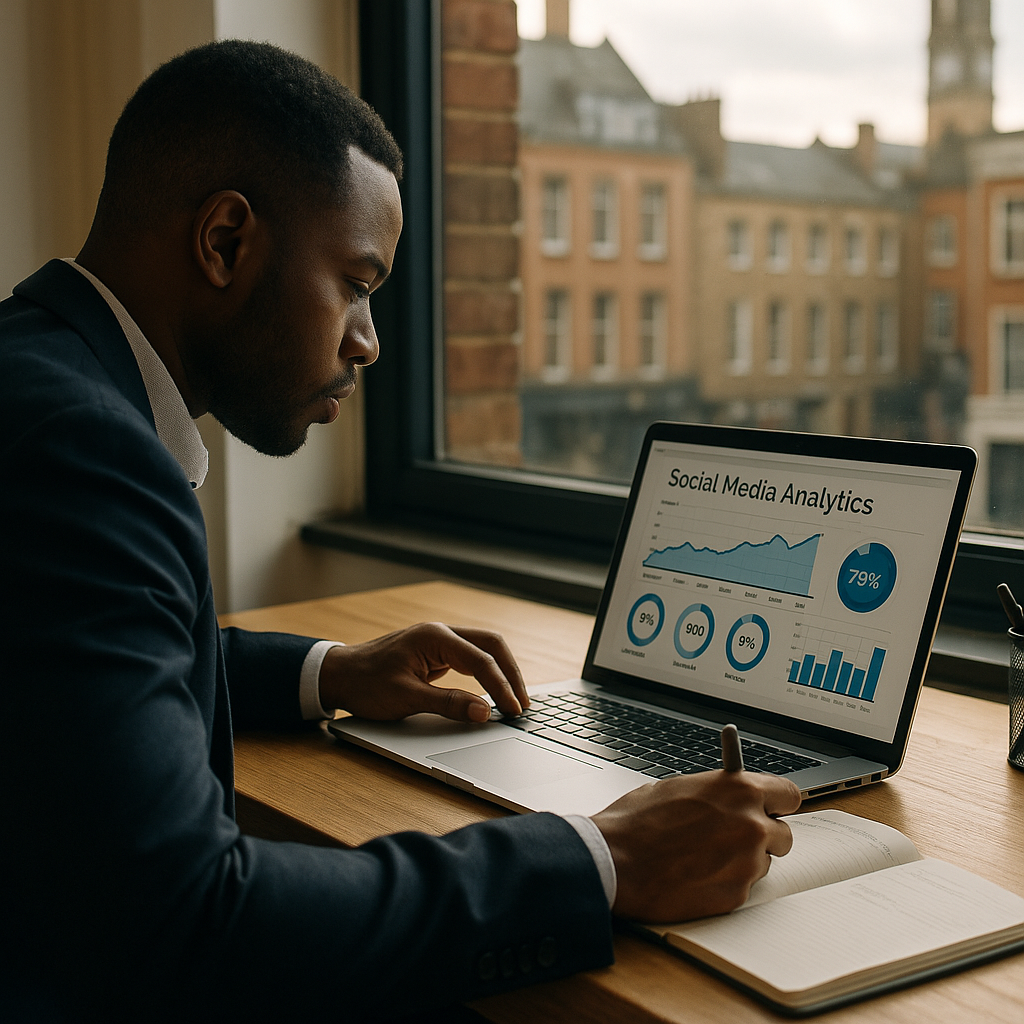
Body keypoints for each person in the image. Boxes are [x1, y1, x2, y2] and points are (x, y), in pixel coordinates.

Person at [0, 40, 801, 1023]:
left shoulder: (34, 374)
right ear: (225, 242)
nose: (368, 342)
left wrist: (329, 671)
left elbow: (78, 662)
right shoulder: (84, 453)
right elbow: (191, 922)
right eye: (356, 283)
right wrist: (603, 857)